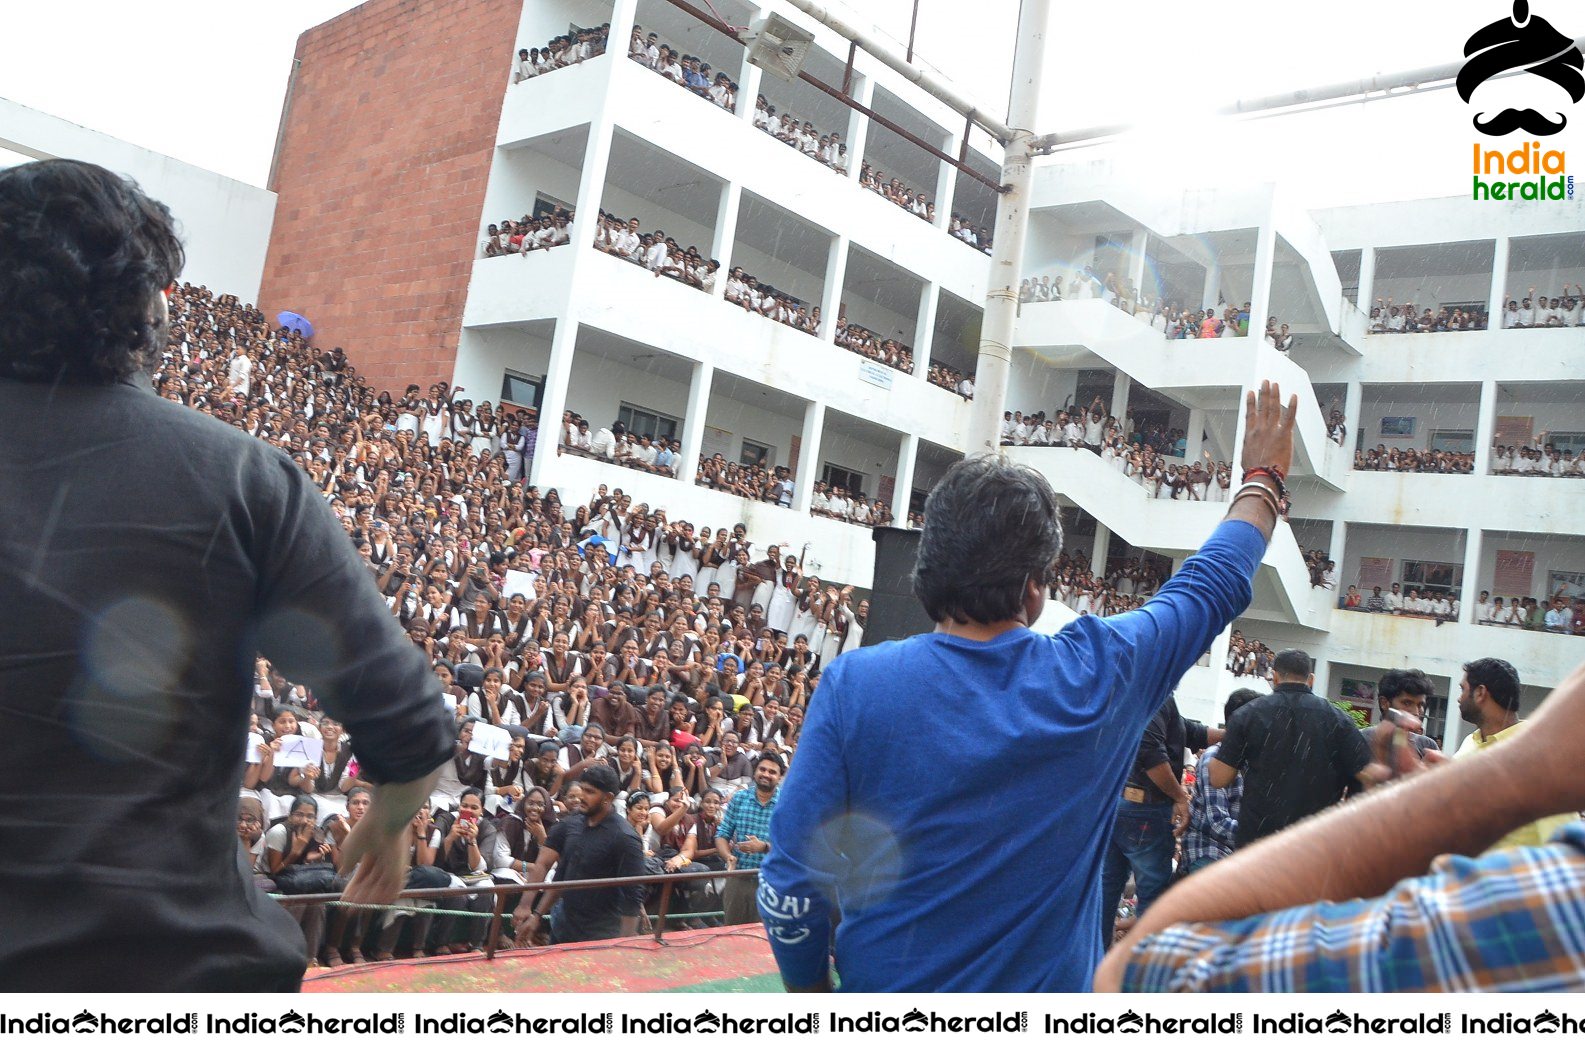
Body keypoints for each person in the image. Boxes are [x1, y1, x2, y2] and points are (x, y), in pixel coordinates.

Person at [0, 160, 454, 991]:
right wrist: (386, 827)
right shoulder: (242, 478)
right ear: (147, 304)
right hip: (176, 971)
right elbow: (411, 729)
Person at [757, 382, 1298, 992]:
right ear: (1036, 586)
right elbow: (1212, 581)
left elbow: (790, 888)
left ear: (928, 568)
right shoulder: (1102, 673)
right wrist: (1264, 477)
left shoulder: (855, 686)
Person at [1096, 659, 1585, 993]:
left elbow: (1143, 969)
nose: (1418, 714)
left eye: (1424, 704)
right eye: (1411, 705)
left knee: (1128, 905)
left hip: (1272, 870)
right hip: (1319, 883)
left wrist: (1511, 776)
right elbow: (1366, 782)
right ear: (1310, 676)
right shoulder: (1341, 724)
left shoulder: (1546, 907)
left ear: (1273, 674)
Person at [1208, 650, 1382, 846]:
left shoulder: (1247, 715)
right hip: (1315, 841)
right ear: (1311, 679)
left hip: (1258, 842)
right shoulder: (1338, 720)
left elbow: (1218, 778)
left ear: (1274, 677)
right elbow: (1369, 777)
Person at [1099, 693, 1218, 947]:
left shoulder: (1147, 692)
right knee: (1152, 900)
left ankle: (1097, 964)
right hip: (1144, 810)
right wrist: (1180, 797)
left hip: (1119, 806)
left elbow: (1190, 731)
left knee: (1106, 891)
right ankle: (1140, 973)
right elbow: (1151, 755)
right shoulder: (1154, 697)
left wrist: (1238, 732)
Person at [511, 765, 645, 945]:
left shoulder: (625, 838)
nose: (581, 795)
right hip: (563, 924)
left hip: (602, 932)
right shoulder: (570, 824)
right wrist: (529, 908)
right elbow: (548, 867)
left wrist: (624, 944)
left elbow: (632, 895)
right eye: (581, 788)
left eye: (589, 791)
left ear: (608, 798)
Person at [1453, 657, 1574, 852]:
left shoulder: (1538, 759)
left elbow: (1564, 846)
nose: (1459, 698)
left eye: (1463, 689)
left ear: (1480, 693)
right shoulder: (1470, 743)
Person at [1181, 689, 1263, 875]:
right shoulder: (1215, 759)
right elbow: (1217, 823)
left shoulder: (1256, 759)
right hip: (1208, 851)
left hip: (1240, 855)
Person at [715, 752, 784, 925]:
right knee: (732, 933)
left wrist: (764, 847)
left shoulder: (787, 803)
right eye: (762, 769)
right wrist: (728, 857)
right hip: (738, 878)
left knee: (763, 938)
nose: (766, 774)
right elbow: (722, 835)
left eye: (772, 772)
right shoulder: (739, 799)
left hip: (771, 883)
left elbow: (795, 846)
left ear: (780, 777)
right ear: (755, 772)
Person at [1365, 667, 1440, 759]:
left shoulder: (1428, 747)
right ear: (1384, 703)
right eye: (1407, 703)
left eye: (1420, 705)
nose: (1416, 712)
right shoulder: (1359, 740)